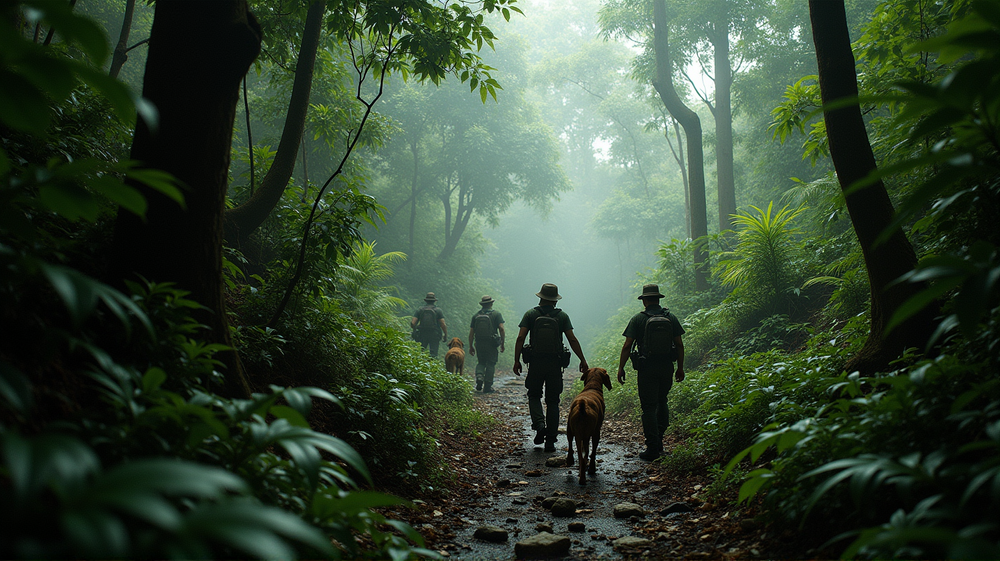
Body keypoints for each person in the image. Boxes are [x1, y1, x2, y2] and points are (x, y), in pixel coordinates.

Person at [513, 283, 588, 453]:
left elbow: (520, 338)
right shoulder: (562, 317)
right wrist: (582, 359)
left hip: (536, 363)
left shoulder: (531, 314)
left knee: (533, 395)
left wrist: (516, 360)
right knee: (553, 401)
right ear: (555, 300)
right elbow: (572, 339)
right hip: (555, 364)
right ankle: (551, 441)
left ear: (540, 297)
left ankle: (540, 425)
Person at [616, 283, 685, 461]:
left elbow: (627, 346)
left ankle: (652, 447)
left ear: (644, 300)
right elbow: (679, 344)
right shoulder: (671, 317)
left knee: (648, 407)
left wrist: (621, 367)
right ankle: (659, 438)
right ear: (658, 299)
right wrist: (680, 368)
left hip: (647, 368)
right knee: (662, 400)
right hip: (666, 367)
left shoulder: (638, 319)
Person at [468, 295, 505, 393]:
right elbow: (501, 328)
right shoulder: (496, 314)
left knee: (481, 362)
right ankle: (487, 386)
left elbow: (471, 332)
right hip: (491, 343)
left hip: (479, 343)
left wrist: (471, 345)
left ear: (482, 304)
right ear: (491, 303)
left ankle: (479, 377)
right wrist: (502, 343)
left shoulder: (476, 316)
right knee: (491, 363)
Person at [411, 292, 447, 358]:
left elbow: (413, 323)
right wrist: (445, 334)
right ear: (434, 301)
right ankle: (432, 366)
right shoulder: (438, 310)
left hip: (422, 334)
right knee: (433, 354)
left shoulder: (420, 310)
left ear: (426, 301)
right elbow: (443, 324)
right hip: (434, 334)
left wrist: (415, 331)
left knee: (421, 352)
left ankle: (420, 366)